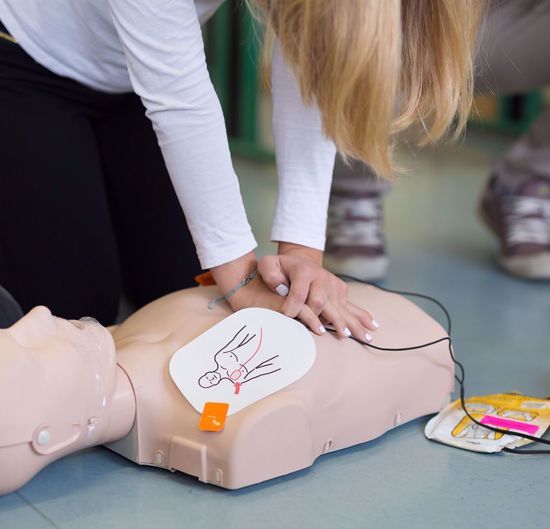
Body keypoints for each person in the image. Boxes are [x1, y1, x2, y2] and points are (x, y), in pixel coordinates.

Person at [0, 1, 483, 340]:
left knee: (183, 300)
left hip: (132, 85)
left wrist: (302, 258)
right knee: (73, 321)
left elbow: (311, 61)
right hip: (23, 60)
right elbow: (180, 100)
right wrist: (240, 280)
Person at [0, 280, 453, 495]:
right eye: (31, 350)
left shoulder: (126, 334)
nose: (38, 316)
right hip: (397, 335)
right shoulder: (220, 425)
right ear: (49, 436)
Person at [325, 0, 550, 281]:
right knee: (356, 15)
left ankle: (527, 184)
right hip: (398, 23)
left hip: (499, 21)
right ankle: (351, 190)